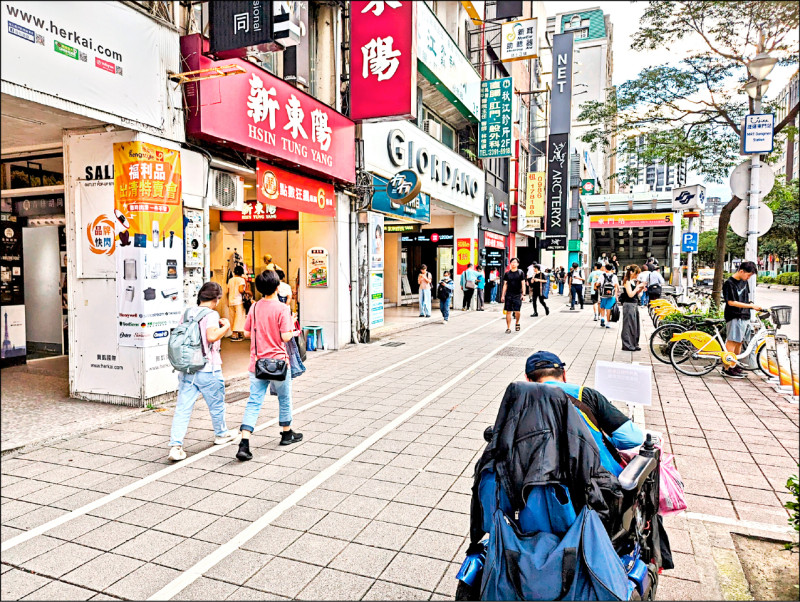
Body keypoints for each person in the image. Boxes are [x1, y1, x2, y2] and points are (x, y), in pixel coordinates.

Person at [524, 351, 644, 474]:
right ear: (564, 374)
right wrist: (604, 441)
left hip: (541, 483)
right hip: (600, 480)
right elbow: (632, 438)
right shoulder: (586, 395)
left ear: (527, 379)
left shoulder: (520, 405)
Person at [237, 270, 303, 460]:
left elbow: (247, 333)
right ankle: (286, 433)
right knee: (284, 398)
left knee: (254, 402)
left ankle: (244, 442)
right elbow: (285, 336)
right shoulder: (283, 309)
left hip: (257, 364)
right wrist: (292, 324)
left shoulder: (255, 307)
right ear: (277, 287)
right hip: (279, 364)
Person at [168, 283, 238, 461]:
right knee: (216, 405)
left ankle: (176, 446)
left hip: (188, 369)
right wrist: (226, 326)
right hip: (208, 369)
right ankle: (221, 434)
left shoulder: (187, 312)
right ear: (216, 299)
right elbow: (211, 336)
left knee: (183, 408)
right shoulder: (212, 314)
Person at [721, 261, 762, 379]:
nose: (748, 278)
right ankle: (727, 367)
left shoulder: (745, 282)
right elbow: (731, 302)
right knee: (732, 341)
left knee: (740, 341)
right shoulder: (729, 283)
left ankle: (734, 364)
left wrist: (751, 304)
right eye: (748, 275)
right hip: (734, 315)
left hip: (745, 316)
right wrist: (751, 306)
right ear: (741, 271)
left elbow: (746, 298)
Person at [620, 265, 647, 351]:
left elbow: (636, 294)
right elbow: (630, 294)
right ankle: (627, 344)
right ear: (631, 272)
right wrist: (637, 287)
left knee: (635, 325)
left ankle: (634, 343)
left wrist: (641, 289)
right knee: (628, 325)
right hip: (628, 304)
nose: (637, 275)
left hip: (634, 304)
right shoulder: (626, 281)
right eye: (636, 273)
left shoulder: (633, 281)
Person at [500, 258, 527, 334]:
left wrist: (523, 294)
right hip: (508, 294)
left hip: (517, 294)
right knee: (508, 311)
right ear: (510, 264)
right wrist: (502, 295)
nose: (513, 263)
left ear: (518, 264)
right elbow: (505, 285)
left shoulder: (520, 273)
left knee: (517, 311)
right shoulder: (507, 274)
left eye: (515, 262)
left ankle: (517, 322)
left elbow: (523, 284)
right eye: (512, 262)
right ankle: (508, 328)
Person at [227, 265, 247, 341]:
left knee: (232, 317)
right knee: (239, 317)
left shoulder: (230, 280)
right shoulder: (241, 280)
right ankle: (235, 334)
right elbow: (241, 290)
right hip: (238, 301)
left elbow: (228, 291)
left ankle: (237, 333)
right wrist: (247, 292)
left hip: (231, 300)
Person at [598, 262, 619, 329]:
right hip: (611, 295)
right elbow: (616, 286)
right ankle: (608, 323)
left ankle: (602, 318)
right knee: (609, 309)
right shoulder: (614, 276)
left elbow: (598, 283)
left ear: (605, 268)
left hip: (603, 295)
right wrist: (616, 296)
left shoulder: (602, 275)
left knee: (602, 307)